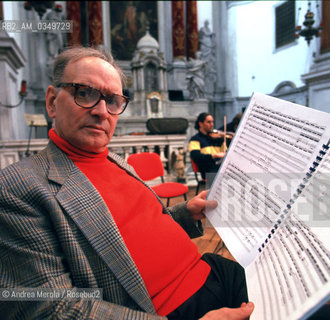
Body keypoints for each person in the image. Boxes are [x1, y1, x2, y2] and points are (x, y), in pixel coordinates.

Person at [0, 47, 252, 320]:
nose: (101, 111)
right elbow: (50, 307)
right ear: (51, 101)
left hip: (210, 268)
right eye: (84, 93)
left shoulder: (118, 161)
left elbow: (137, 228)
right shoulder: (18, 186)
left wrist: (184, 212)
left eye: (113, 100)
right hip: (174, 310)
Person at [189, 112, 226, 184]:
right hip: (207, 169)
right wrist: (214, 155)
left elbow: (226, 153)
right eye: (208, 122)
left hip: (219, 167)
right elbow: (196, 157)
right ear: (200, 124)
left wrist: (225, 138)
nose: (212, 124)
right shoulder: (195, 139)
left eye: (212, 122)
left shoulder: (218, 139)